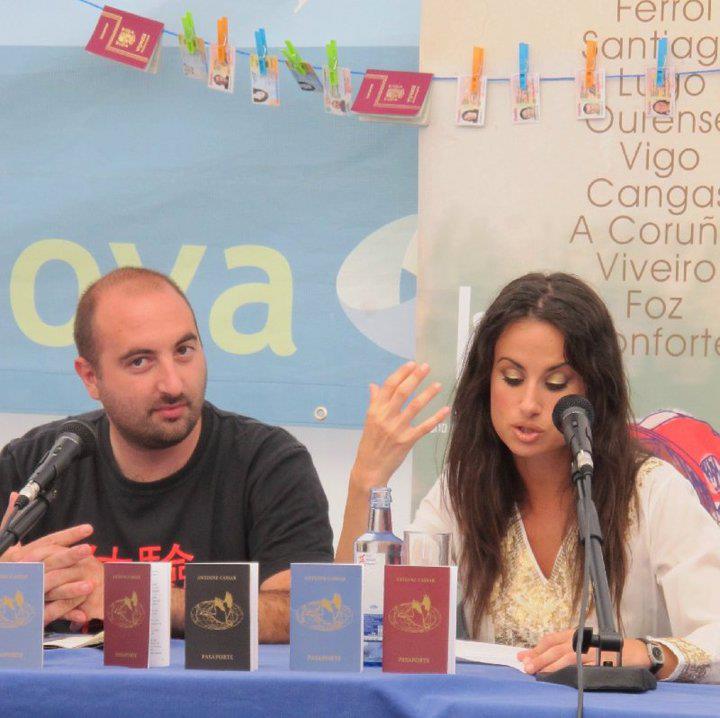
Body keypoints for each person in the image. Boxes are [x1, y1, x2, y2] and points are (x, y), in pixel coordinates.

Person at [336, 271, 720, 682]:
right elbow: (357, 618)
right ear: (485, 381)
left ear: (594, 392)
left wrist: (647, 652)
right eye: (512, 378)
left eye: (556, 383)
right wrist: (366, 479)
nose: (529, 403)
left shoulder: (652, 491)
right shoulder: (462, 489)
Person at [0, 267, 333, 641]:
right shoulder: (34, 465)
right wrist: (5, 591)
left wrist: (131, 597)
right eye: (140, 361)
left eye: (184, 351)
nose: (173, 384)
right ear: (90, 377)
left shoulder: (268, 462)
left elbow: (306, 612)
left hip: (212, 700)